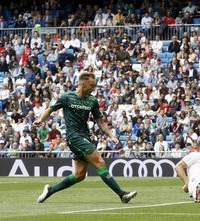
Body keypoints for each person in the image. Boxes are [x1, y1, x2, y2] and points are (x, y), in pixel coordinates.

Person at [33, 72, 137, 203]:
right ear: (82, 84)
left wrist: (111, 135)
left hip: (85, 137)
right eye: (91, 86)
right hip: (74, 137)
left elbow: (100, 121)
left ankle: (50, 190)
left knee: (79, 175)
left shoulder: (91, 100)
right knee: (99, 161)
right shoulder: (67, 97)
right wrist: (40, 119)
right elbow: (50, 109)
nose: (93, 89)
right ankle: (122, 194)